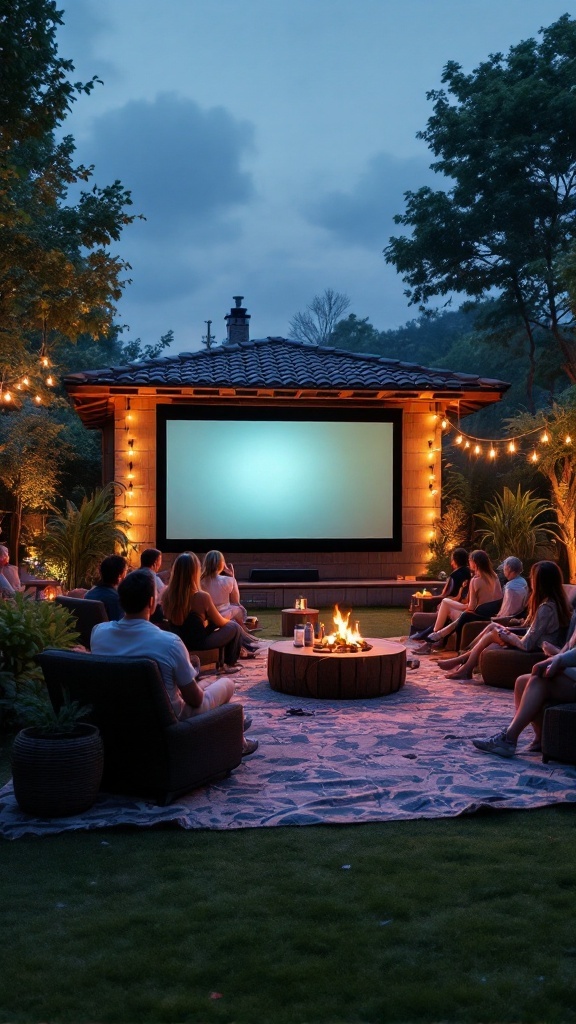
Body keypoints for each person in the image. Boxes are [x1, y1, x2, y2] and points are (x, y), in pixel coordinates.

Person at [90, 569, 257, 755]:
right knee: (226, 684)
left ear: (120, 600)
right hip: (169, 718)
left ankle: (235, 722)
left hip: (120, 714)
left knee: (207, 682)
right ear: (152, 603)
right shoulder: (169, 643)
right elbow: (195, 700)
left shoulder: (98, 633)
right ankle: (238, 742)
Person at [440, 560, 572, 681]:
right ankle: (464, 664)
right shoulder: (553, 602)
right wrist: (514, 627)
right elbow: (534, 630)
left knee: (493, 633)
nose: (531, 581)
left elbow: (527, 644)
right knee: (493, 628)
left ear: (540, 582)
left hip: (538, 648)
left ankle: (464, 664)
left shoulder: (546, 607)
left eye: (533, 578)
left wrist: (508, 636)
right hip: (536, 641)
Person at [471, 624, 576, 759]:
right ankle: (541, 739)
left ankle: (508, 739)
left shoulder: (547, 608)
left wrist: (560, 664)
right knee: (521, 681)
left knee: (539, 681)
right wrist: (558, 660)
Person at [162, 552, 246, 670]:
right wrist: (228, 615)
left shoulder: (166, 595)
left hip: (177, 640)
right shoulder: (201, 597)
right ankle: (229, 664)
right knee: (234, 627)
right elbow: (220, 622)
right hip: (199, 643)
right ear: (195, 572)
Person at [414, 550, 502, 652]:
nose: (469, 563)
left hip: (475, 616)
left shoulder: (476, 580)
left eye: (470, 560)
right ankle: (436, 637)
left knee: (446, 604)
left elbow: (471, 607)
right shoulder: (495, 577)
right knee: (446, 603)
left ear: (474, 562)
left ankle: (433, 639)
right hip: (488, 615)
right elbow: (497, 599)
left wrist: (460, 605)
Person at [201, 550, 247, 624]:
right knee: (239, 609)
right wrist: (232, 578)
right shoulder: (228, 580)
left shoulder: (199, 580)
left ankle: (243, 630)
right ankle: (243, 630)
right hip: (222, 616)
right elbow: (236, 602)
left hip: (206, 616)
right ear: (221, 564)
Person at [85, 555, 128, 621]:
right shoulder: (116, 599)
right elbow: (120, 626)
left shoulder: (88, 595)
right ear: (119, 575)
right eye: (126, 571)